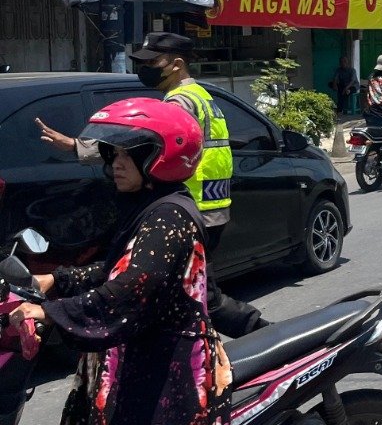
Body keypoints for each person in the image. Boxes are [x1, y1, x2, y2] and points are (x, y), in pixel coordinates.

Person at [11, 98, 229, 425]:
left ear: (161, 159)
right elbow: (115, 270)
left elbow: (132, 289)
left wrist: (50, 315)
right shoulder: (147, 208)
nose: (116, 164)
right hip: (137, 363)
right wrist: (57, 281)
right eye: (113, 155)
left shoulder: (168, 215)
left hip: (165, 375)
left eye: (128, 155)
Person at [35, 31, 267, 337]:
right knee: (190, 293)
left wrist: (79, 147)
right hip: (208, 207)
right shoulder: (203, 96)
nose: (145, 69)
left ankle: (270, 339)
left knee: (198, 295)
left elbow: (148, 142)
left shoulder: (180, 102)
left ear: (176, 64)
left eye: (152, 61)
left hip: (185, 209)